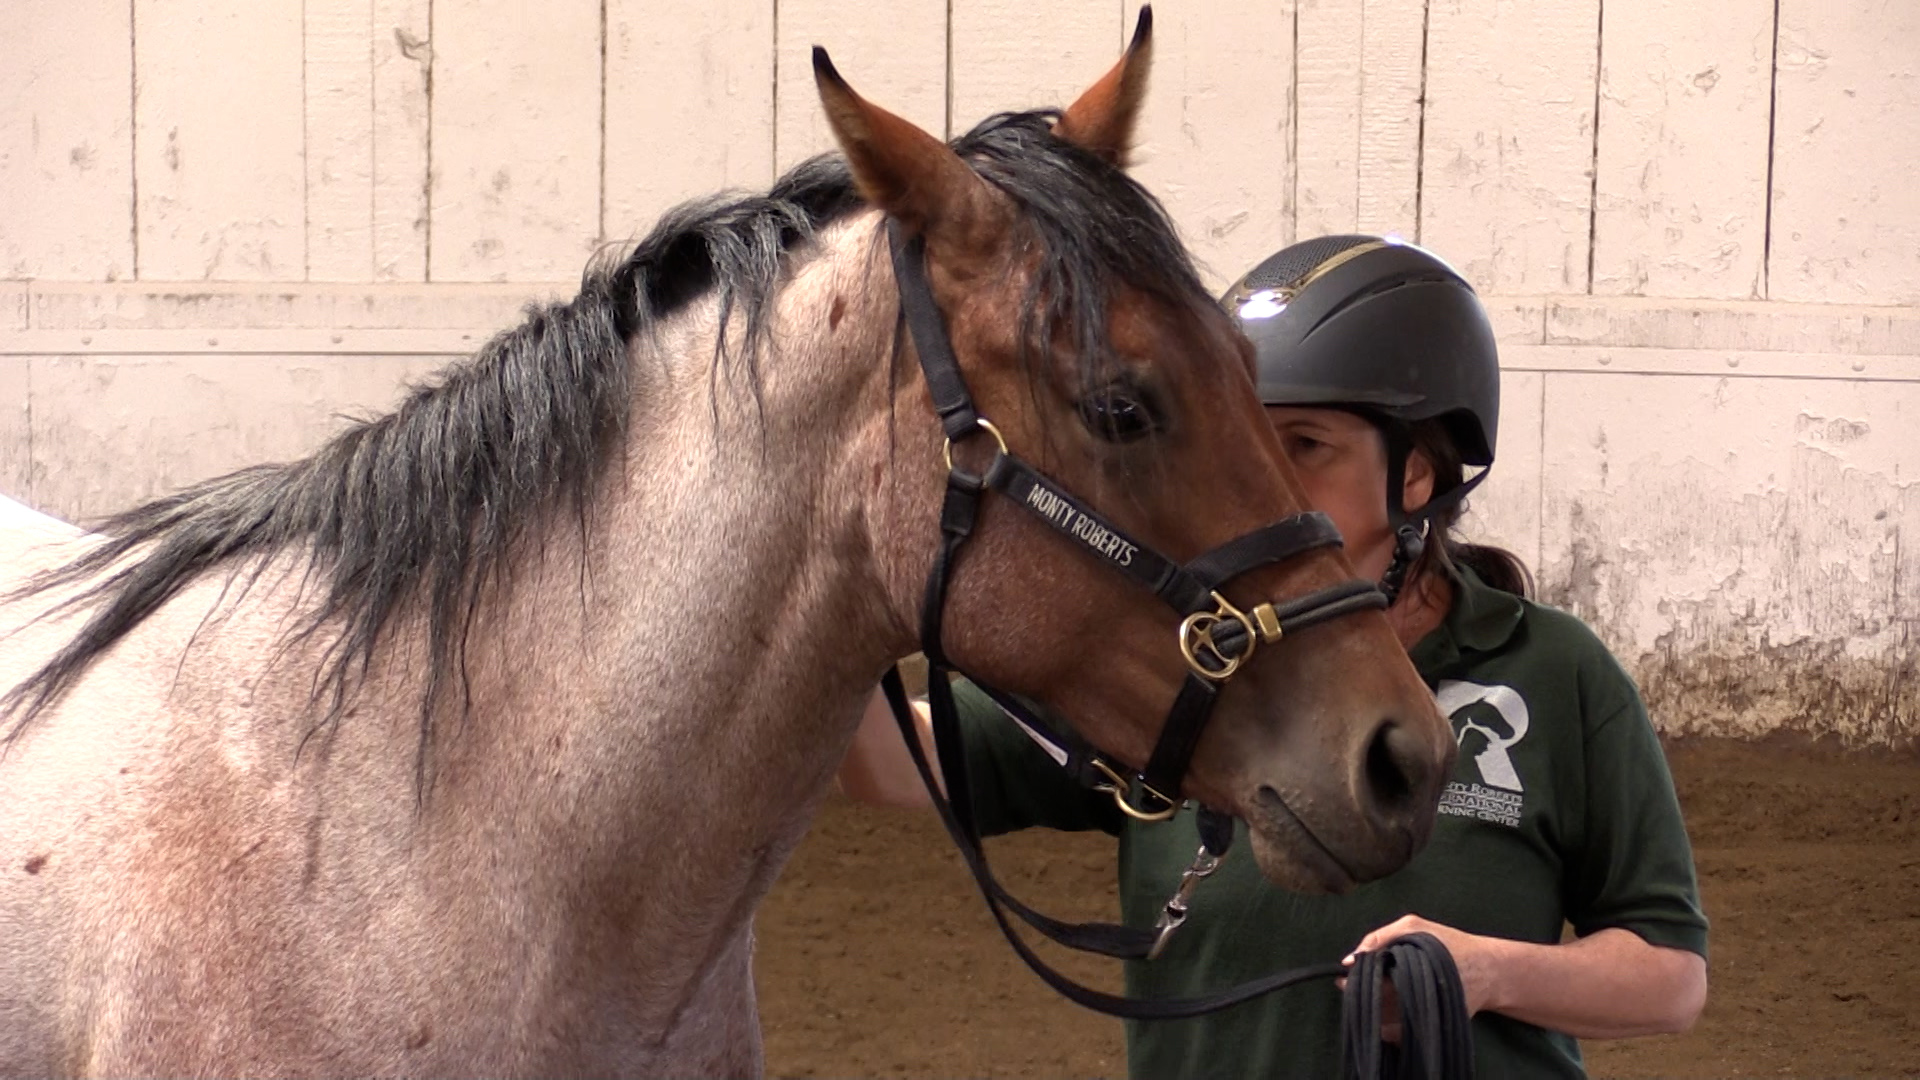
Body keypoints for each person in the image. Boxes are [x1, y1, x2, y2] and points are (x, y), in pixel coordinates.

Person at [838, 235, 1708, 1077]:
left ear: (1416, 475)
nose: (1267, 483)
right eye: (1251, 441)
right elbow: (894, 763)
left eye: (1306, 446)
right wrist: (844, 589)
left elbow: (1671, 978)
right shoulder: (1180, 658)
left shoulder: (1553, 671)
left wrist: (1488, 973)